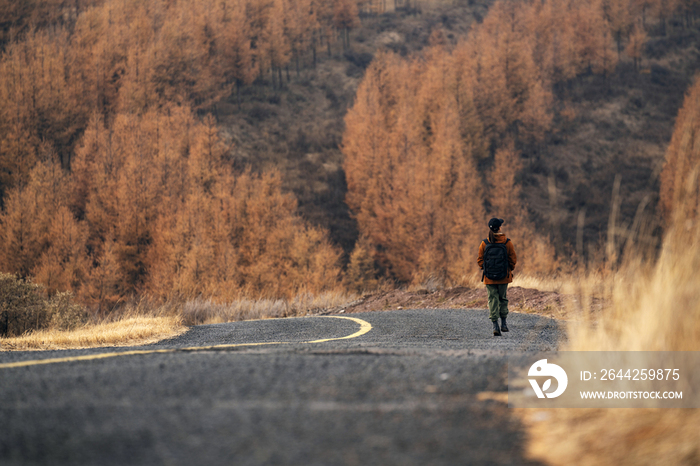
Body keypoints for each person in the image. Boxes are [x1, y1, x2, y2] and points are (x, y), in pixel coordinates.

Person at [477, 218, 517, 336]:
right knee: (502, 298)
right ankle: (504, 324)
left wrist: (486, 269)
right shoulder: (507, 242)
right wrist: (508, 269)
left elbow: (480, 260)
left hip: (489, 277)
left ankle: (495, 325)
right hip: (504, 276)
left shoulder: (484, 243)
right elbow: (513, 259)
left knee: (492, 299)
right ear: (500, 228)